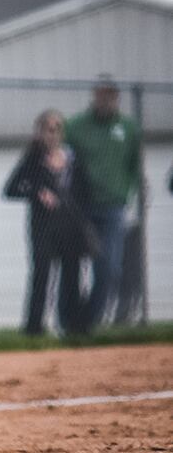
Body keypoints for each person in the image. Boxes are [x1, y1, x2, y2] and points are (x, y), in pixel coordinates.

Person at [2, 110, 91, 336]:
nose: (52, 134)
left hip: (69, 226)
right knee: (41, 276)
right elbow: (10, 189)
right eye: (47, 129)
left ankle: (74, 327)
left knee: (72, 276)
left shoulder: (73, 159)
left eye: (57, 129)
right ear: (39, 133)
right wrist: (37, 192)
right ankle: (34, 328)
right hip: (43, 227)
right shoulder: (32, 160)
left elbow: (84, 190)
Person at [66, 76, 142, 329]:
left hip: (112, 207)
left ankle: (87, 321)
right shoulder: (76, 127)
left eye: (109, 95)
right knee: (71, 266)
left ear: (116, 98)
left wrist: (125, 191)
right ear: (93, 96)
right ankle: (70, 321)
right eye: (100, 94)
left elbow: (134, 166)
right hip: (82, 208)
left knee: (108, 267)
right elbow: (64, 161)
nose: (104, 99)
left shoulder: (128, 128)